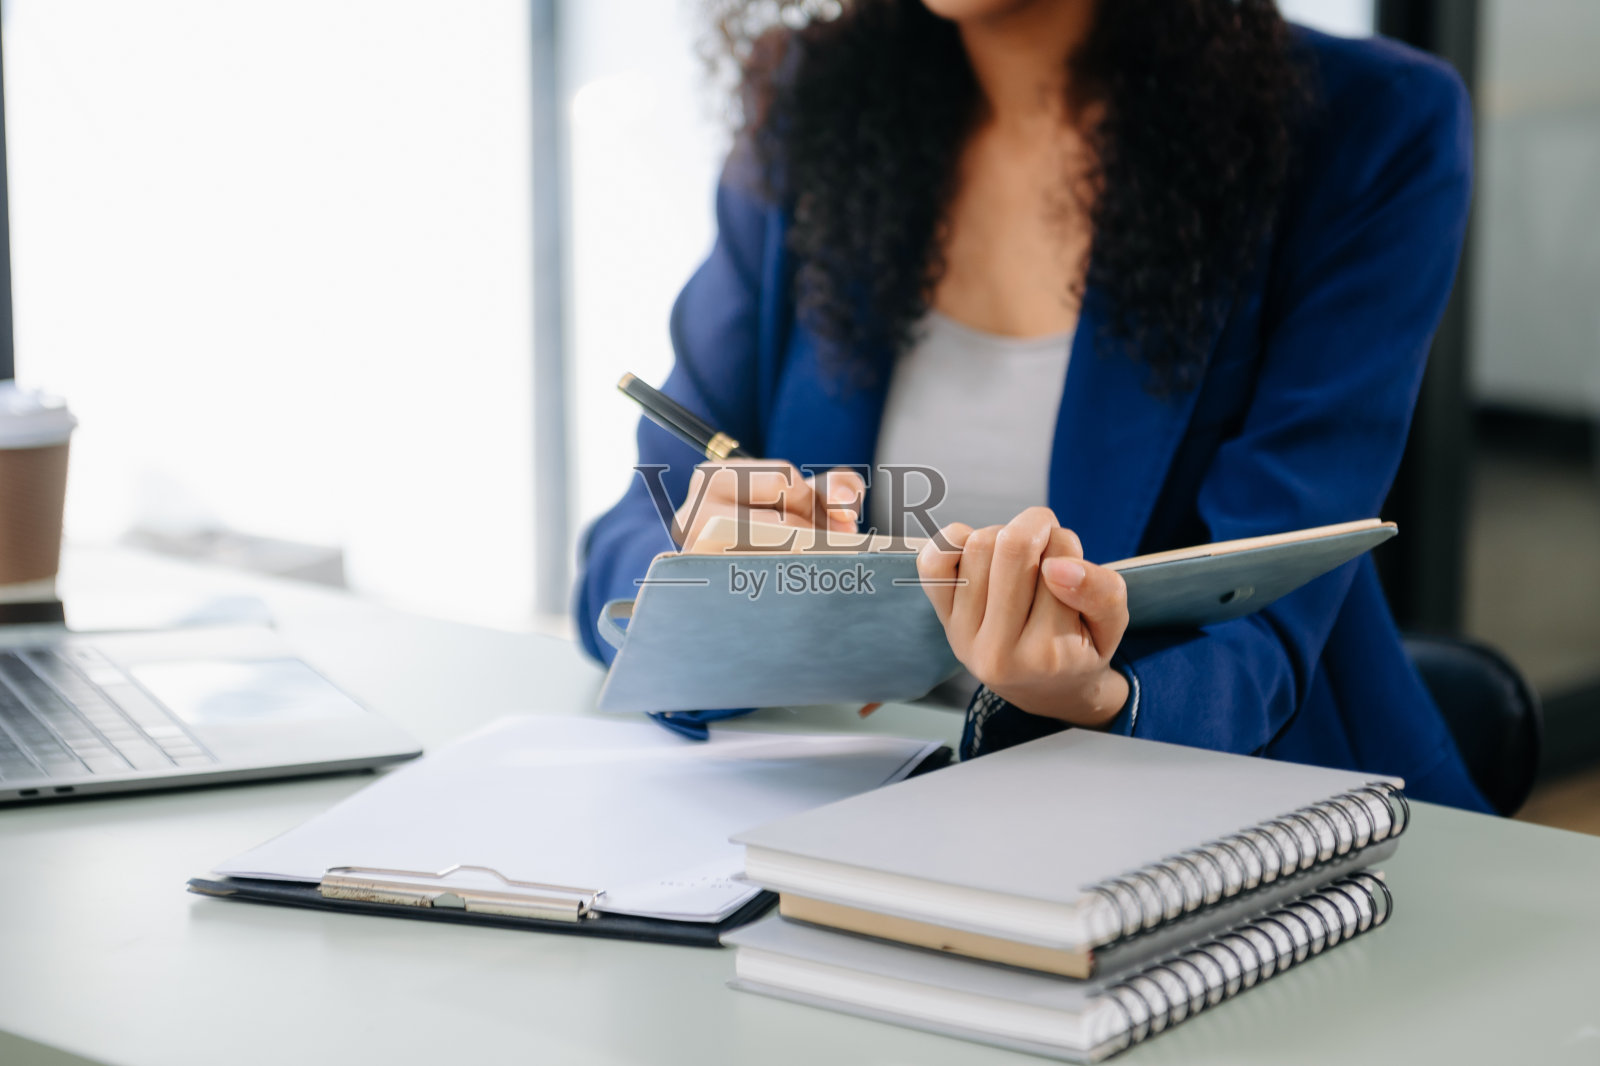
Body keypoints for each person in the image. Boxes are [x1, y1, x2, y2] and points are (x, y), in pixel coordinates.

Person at [575, 0, 1493, 812]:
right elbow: (621, 558)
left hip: (1223, 813)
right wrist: (703, 584)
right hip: (841, 814)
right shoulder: (810, 98)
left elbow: (1272, 610)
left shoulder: (1370, 126)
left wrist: (1101, 699)